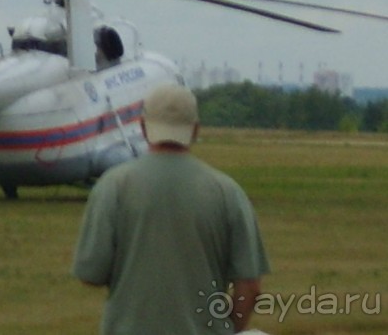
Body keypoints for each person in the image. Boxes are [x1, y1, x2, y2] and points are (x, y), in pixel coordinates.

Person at [72, 83, 270, 334]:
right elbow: (250, 287)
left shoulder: (113, 186)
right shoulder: (227, 192)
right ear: (195, 130)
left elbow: (90, 274)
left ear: (143, 128)